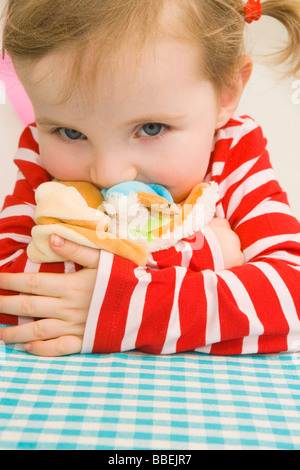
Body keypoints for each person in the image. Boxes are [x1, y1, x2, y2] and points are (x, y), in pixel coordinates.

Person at [0, 0, 299, 357]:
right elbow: (11, 287)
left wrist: (130, 310)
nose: (108, 172)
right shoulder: (38, 151)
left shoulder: (233, 152)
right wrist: (207, 256)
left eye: (151, 128)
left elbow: (290, 297)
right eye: (69, 132)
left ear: (227, 94)